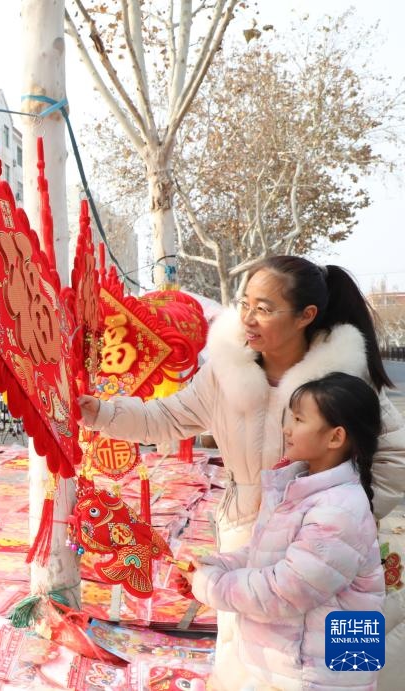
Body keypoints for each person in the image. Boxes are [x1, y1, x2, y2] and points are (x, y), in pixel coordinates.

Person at [77, 256, 405, 689]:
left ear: (306, 316)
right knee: (252, 657)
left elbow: (396, 457)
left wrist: (342, 517)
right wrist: (100, 413)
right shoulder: (224, 372)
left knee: (345, 666)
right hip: (247, 532)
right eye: (245, 304)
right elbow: (167, 417)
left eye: (264, 309)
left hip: (331, 545)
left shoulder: (341, 378)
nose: (248, 318)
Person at [187, 372, 384, 690]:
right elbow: (266, 552)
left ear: (335, 438)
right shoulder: (301, 487)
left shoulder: (337, 511)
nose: (287, 429)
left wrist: (212, 585)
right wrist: (218, 565)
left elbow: (286, 591)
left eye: (299, 420)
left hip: (319, 675)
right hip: (301, 664)